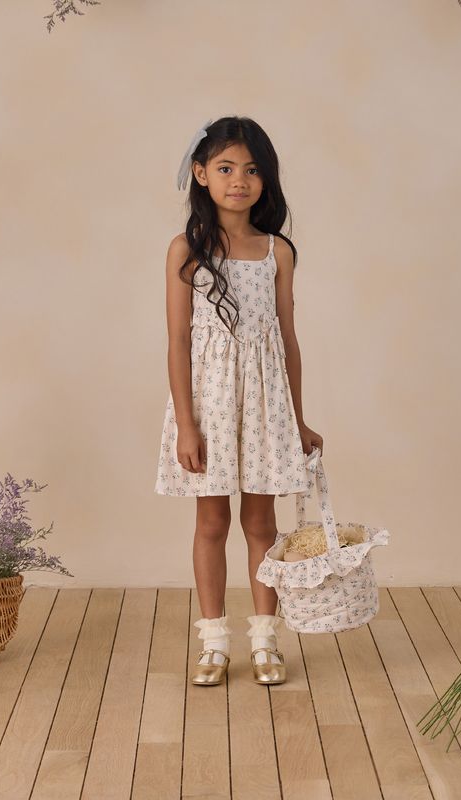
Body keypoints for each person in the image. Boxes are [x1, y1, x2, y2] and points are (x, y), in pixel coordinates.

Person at [154, 116, 323, 686]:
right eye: (226, 168)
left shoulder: (277, 251)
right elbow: (178, 342)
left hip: (266, 407)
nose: (239, 180)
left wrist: (297, 421)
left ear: (265, 179)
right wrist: (185, 424)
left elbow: (287, 340)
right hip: (209, 407)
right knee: (211, 521)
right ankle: (213, 643)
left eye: (252, 170)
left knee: (261, 523)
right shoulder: (188, 249)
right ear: (201, 173)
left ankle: (265, 641)